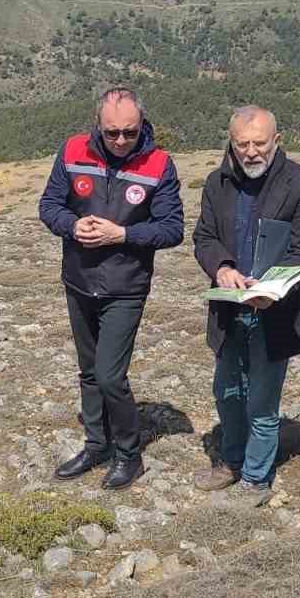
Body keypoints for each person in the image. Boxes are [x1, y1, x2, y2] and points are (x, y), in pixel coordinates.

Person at [38, 86, 183, 489]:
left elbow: (172, 230)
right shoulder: (71, 151)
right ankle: (96, 444)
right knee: (88, 371)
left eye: (130, 133)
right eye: (112, 132)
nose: (121, 140)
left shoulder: (159, 165)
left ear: (143, 127)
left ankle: (128, 455)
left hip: (126, 286)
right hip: (79, 280)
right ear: (97, 126)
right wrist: (71, 225)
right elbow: (49, 205)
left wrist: (122, 234)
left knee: (109, 375)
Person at [192, 105, 300, 505]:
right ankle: (231, 462)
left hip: (276, 311)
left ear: (277, 141)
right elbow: (204, 237)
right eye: (242, 144)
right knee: (227, 391)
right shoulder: (217, 183)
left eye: (260, 143)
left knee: (262, 400)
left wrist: (272, 287)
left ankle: (256, 479)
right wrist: (222, 267)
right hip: (230, 306)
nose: (251, 152)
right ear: (231, 143)